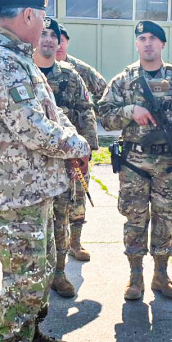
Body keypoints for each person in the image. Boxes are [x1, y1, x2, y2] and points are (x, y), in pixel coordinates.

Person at [0, 0, 91, 342]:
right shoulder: (1, 64)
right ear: (26, 17)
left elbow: (51, 115)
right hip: (16, 193)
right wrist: (77, 146)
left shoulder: (18, 60)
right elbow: (32, 127)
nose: (44, 26)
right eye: (41, 17)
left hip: (34, 188)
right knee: (24, 278)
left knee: (38, 272)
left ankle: (31, 334)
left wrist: (74, 138)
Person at [97, 20, 172, 300]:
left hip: (169, 165)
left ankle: (161, 275)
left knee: (165, 219)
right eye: (142, 38)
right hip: (134, 163)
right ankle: (135, 277)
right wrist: (130, 110)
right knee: (134, 220)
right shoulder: (123, 81)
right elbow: (104, 117)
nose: (147, 43)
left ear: (162, 44)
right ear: (136, 43)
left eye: (153, 38)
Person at [33, 17, 98, 297]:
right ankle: (35, 276)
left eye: (53, 35)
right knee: (33, 221)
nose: (48, 39)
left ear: (60, 42)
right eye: (43, 33)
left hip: (64, 162)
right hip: (31, 162)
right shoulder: (26, 72)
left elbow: (86, 111)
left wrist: (87, 151)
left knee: (61, 216)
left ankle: (59, 273)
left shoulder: (70, 75)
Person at [57, 25, 106, 262]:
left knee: (78, 195)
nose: (57, 44)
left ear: (66, 42)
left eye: (61, 40)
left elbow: (103, 92)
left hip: (77, 149)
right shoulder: (33, 67)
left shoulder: (79, 70)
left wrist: (89, 142)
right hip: (50, 147)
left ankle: (75, 242)